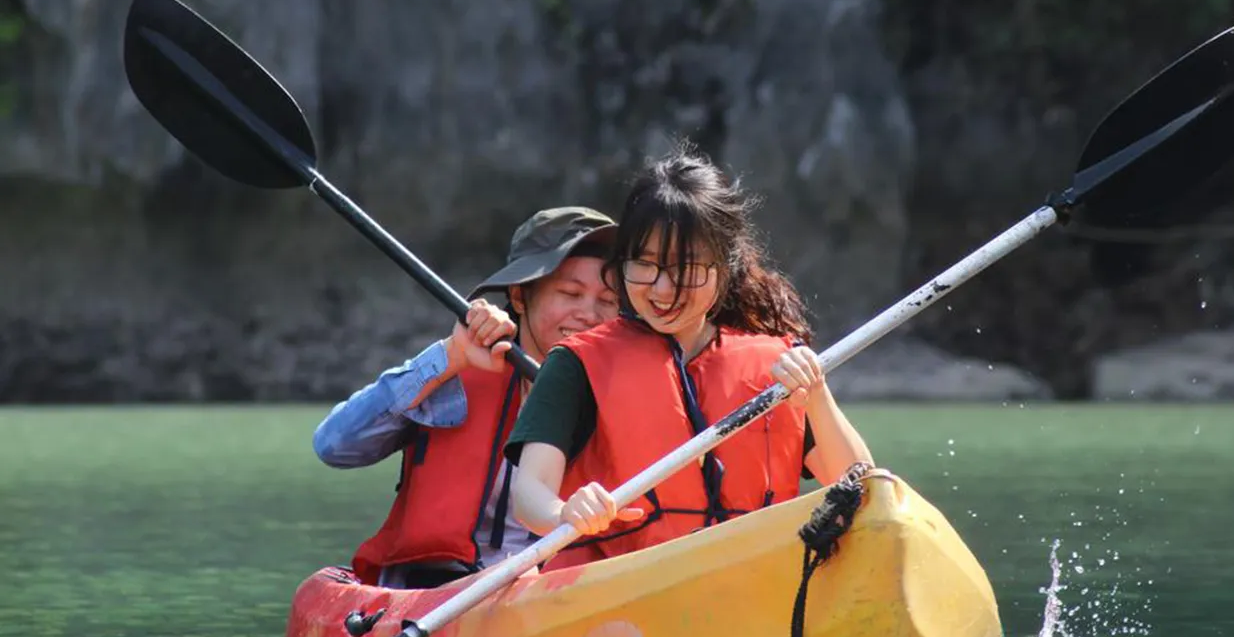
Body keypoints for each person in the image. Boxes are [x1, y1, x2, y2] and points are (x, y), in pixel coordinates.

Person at [506, 146, 875, 571]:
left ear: (724, 266)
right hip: (623, 586)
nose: (662, 289)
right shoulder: (576, 364)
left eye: (685, 269)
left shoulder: (775, 364)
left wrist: (816, 395)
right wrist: (563, 513)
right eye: (645, 264)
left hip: (752, 583)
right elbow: (529, 494)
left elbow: (861, 486)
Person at [313, 206, 620, 588]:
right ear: (519, 297)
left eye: (608, 300)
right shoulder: (460, 372)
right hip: (434, 591)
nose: (589, 314)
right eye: (571, 293)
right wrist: (451, 355)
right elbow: (334, 446)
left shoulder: (627, 392)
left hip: (560, 590)